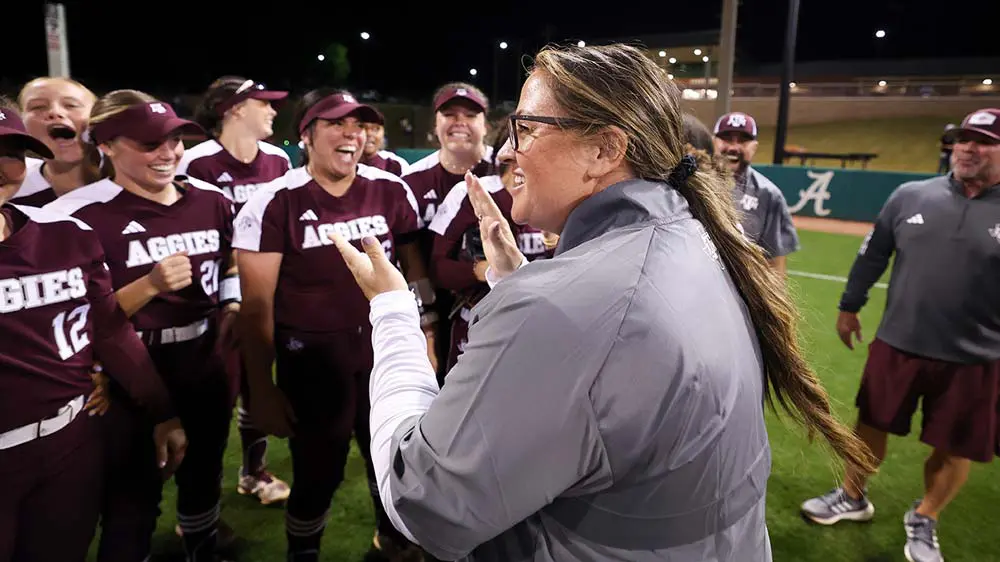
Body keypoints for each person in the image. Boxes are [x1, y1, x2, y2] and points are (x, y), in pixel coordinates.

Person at [330, 43, 874, 561]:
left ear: (604, 150)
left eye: (525, 127)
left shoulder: (564, 308)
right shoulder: (694, 235)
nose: (509, 148)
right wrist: (516, 280)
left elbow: (421, 501)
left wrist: (393, 313)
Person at [233, 89, 430, 562]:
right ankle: (304, 552)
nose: (352, 134)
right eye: (337, 124)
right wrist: (261, 389)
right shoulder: (273, 201)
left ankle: (394, 545)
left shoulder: (390, 188)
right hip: (314, 367)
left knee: (400, 464)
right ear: (306, 134)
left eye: (359, 126)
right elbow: (256, 308)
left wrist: (427, 337)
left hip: (385, 359)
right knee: (318, 474)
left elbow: (414, 272)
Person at [45, 90, 239, 562]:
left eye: (174, 140)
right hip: (126, 374)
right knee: (133, 496)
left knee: (204, 474)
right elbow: (67, 319)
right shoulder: (72, 215)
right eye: (150, 144)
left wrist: (231, 307)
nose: (168, 153)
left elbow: (228, 264)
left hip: (202, 357)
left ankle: (201, 550)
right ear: (106, 145)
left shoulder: (210, 199)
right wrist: (147, 286)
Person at [800, 107, 1000, 562]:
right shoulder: (911, 195)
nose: (968, 147)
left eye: (983, 140)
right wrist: (849, 305)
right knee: (869, 425)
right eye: (963, 138)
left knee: (954, 446)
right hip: (899, 343)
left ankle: (926, 516)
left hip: (977, 357)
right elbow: (873, 256)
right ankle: (852, 496)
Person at [0, 99, 186, 561]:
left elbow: (109, 330)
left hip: (69, 442)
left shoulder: (65, 233)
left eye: (8, 151)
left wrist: (162, 410)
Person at [179, 75, 292, 507]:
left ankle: (252, 470)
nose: (272, 110)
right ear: (234, 109)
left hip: (265, 292)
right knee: (214, 396)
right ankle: (199, 496)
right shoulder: (196, 162)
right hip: (209, 299)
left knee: (257, 382)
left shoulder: (278, 160)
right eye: (262, 103)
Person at [427, 126, 552, 370]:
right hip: (478, 319)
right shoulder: (471, 191)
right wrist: (483, 270)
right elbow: (437, 268)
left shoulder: (561, 195)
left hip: (542, 322)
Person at [402, 82, 495, 376]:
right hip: (436, 302)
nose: (459, 122)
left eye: (470, 115)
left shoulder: (505, 168)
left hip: (495, 299)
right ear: (436, 123)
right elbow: (410, 255)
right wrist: (425, 315)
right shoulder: (412, 180)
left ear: (486, 125)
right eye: (450, 114)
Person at [712, 111, 800, 274]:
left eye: (743, 140)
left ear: (755, 147)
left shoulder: (769, 194)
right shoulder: (691, 183)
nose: (733, 147)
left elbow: (774, 263)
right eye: (727, 138)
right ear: (713, 142)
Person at [13, 76, 97, 206]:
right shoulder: (10, 188)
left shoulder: (131, 181)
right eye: (38, 107)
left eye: (71, 105)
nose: (55, 112)